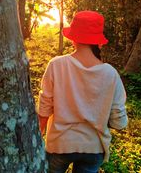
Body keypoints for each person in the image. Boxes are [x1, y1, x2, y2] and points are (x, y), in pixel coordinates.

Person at [38, 11, 128, 173]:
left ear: (73, 38)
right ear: (99, 42)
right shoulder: (111, 73)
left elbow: (45, 106)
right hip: (94, 148)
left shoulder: (57, 65)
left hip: (60, 144)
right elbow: (119, 122)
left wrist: (39, 135)